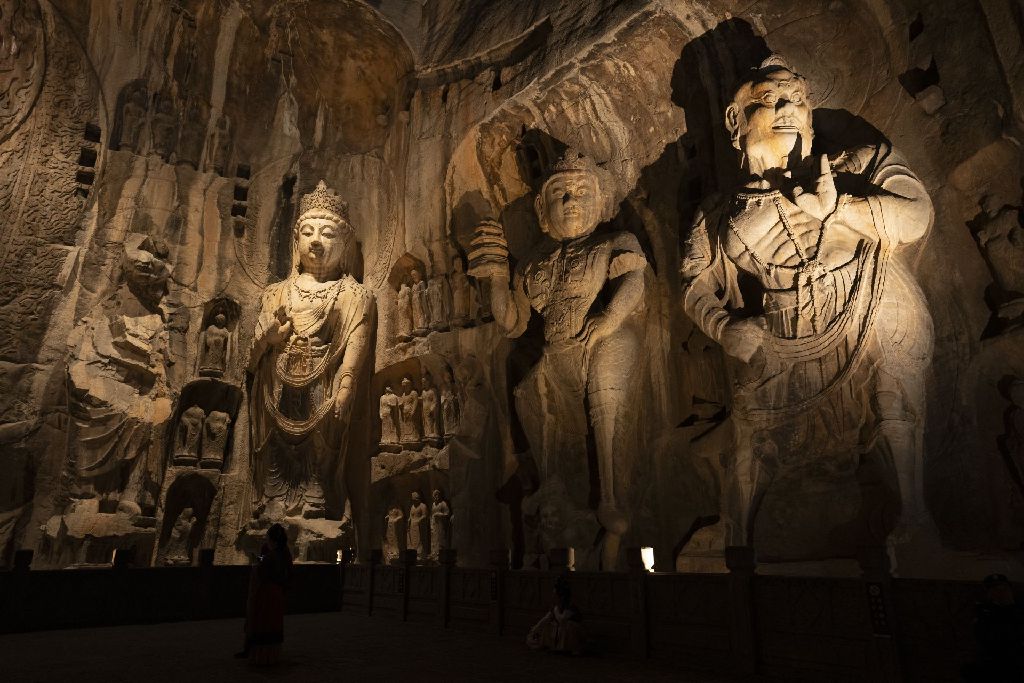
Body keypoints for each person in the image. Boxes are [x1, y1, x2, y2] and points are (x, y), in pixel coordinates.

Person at [237, 523, 293, 665]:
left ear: (272, 539)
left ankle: (261, 655)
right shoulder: (283, 553)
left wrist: (259, 564)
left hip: (267, 591)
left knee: (263, 621)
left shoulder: (273, 555)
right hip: (277, 591)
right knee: (272, 621)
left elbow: (263, 571)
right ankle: (269, 655)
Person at [963, 574, 1024, 681]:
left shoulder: (1019, 608)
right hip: (994, 662)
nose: (1001, 592)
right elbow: (986, 637)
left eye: (1004, 589)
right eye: (995, 589)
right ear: (989, 593)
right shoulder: (984, 612)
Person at [526, 575, 585, 655]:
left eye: (555, 594)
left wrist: (556, 611)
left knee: (569, 626)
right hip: (561, 629)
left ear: (561, 597)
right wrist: (534, 630)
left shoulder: (570, 607)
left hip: (572, 633)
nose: (553, 596)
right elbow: (545, 620)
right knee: (547, 626)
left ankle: (570, 648)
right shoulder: (556, 607)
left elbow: (562, 620)